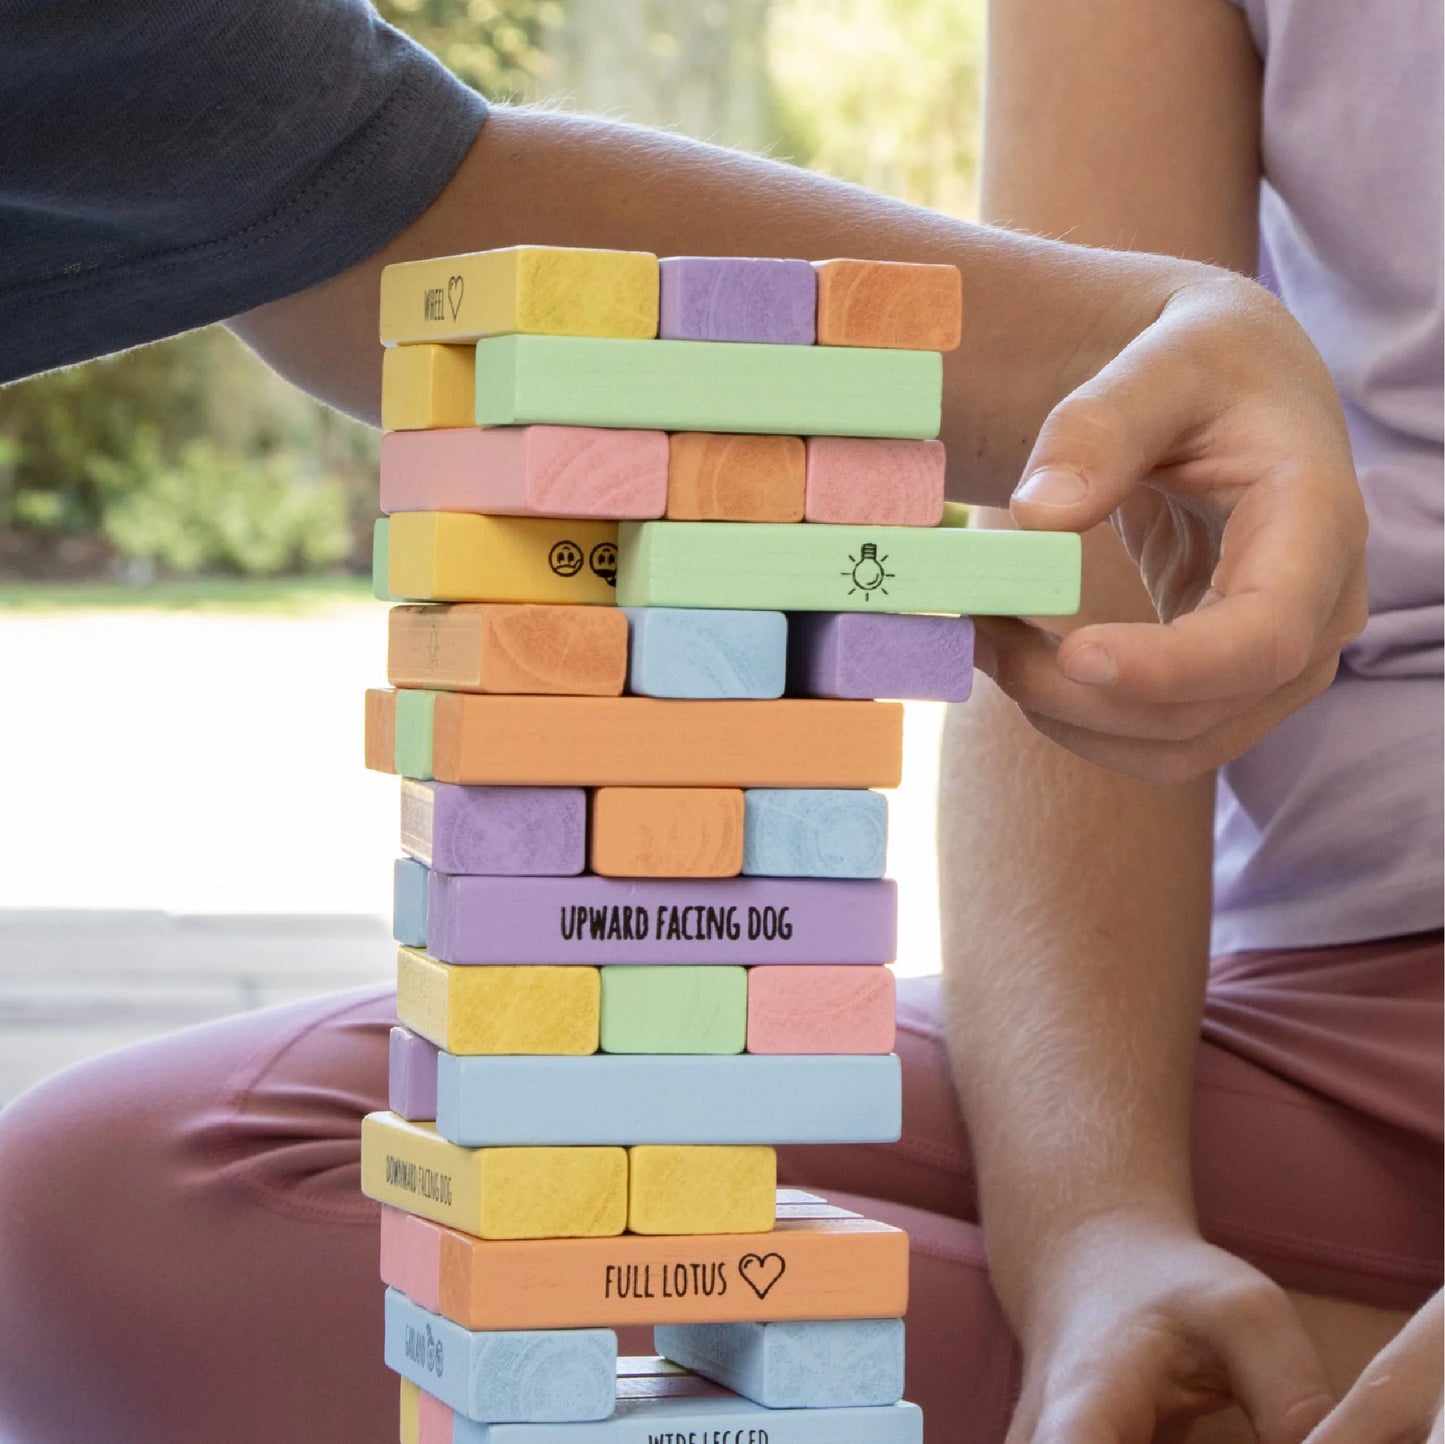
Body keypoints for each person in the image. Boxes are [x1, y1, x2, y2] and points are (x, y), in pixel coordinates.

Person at [0, 2, 1410, 1442]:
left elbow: (325, 172)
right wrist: (1090, 1227)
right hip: (1302, 1035)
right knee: (143, 1189)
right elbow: (346, 192)